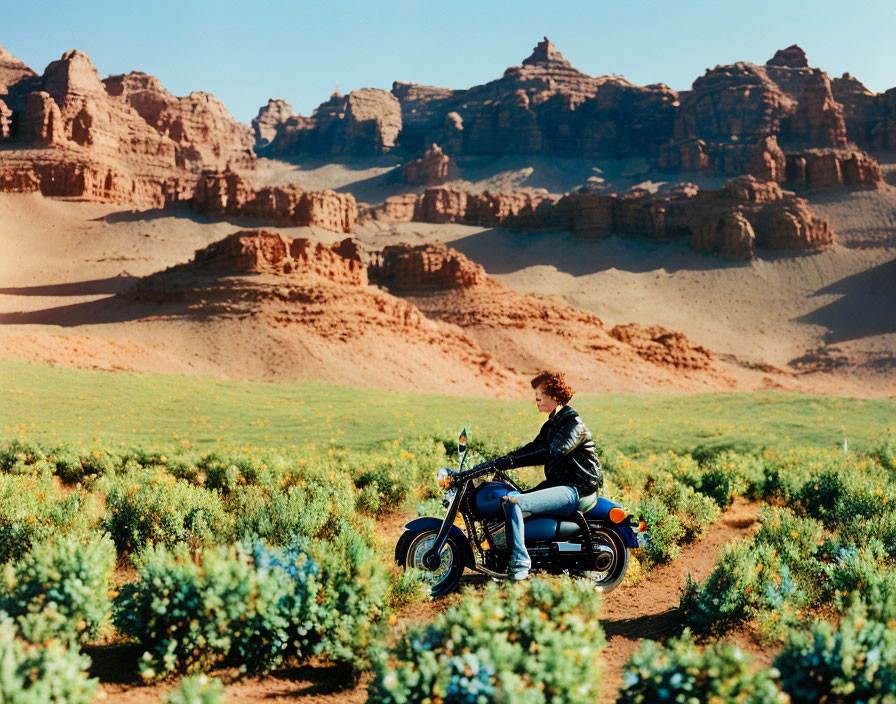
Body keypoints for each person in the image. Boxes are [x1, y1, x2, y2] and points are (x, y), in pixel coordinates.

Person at [490, 370, 602, 581]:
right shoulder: (551, 425)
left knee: (515, 502)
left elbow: (552, 452)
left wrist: (511, 462)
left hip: (575, 489)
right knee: (509, 498)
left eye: (541, 394)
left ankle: (520, 566)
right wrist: (497, 463)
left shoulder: (573, 424)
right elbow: (531, 449)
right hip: (558, 485)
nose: (536, 398)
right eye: (536, 394)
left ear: (556, 396)